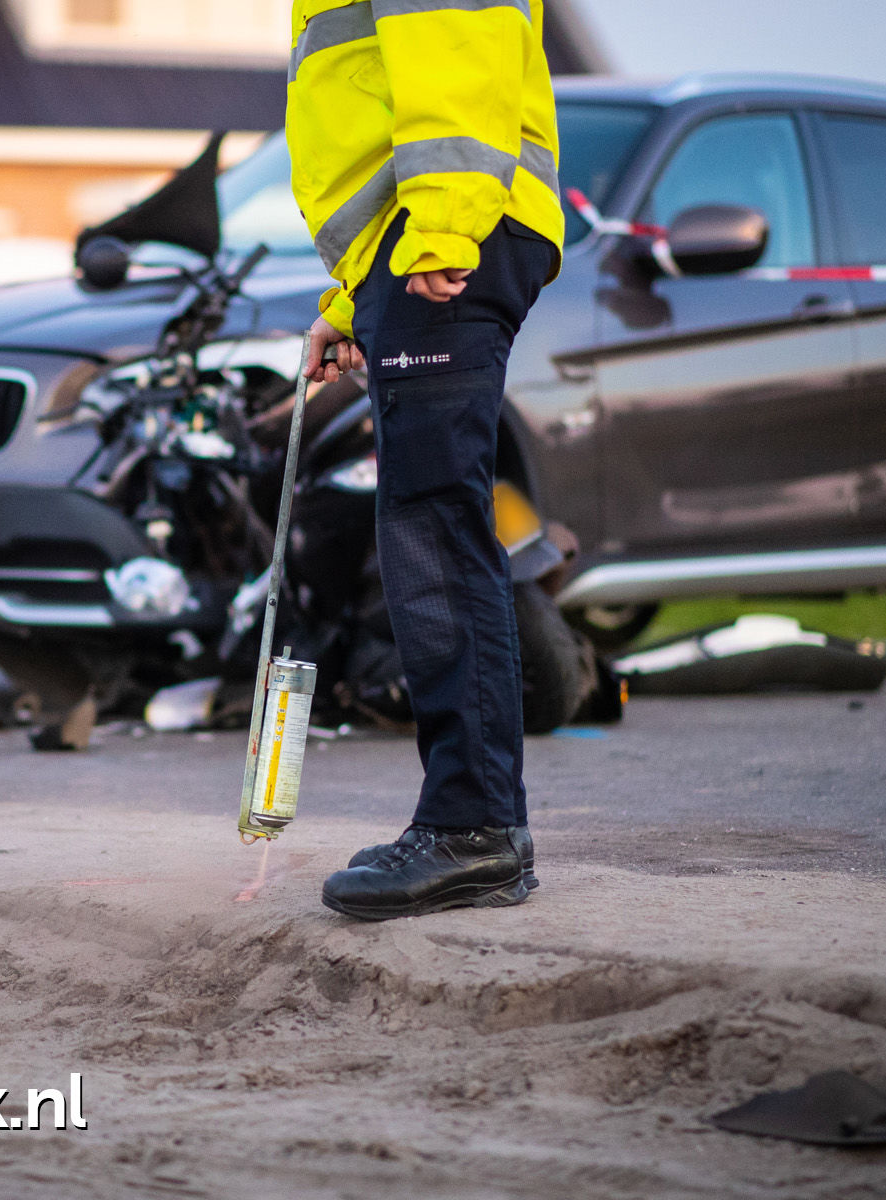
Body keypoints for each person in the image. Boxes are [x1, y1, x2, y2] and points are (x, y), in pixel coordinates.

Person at [287, 0, 565, 919]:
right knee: (425, 526)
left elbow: (457, 50)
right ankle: (475, 824)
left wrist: (443, 229)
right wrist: (355, 287)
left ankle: (473, 829)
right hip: (407, 247)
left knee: (433, 536)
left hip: (445, 237)